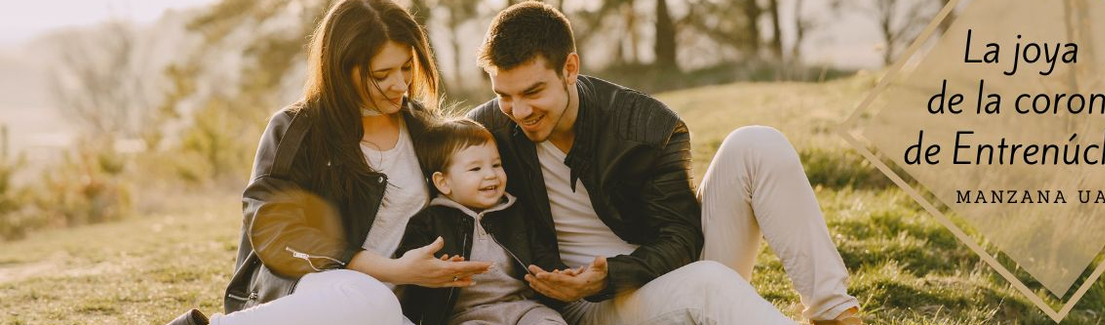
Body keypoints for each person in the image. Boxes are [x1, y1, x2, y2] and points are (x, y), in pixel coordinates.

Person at [467, 2, 863, 324]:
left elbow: (682, 238)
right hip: (584, 307)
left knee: (757, 143)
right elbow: (429, 152)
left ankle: (834, 313)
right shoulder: (488, 130)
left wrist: (611, 274)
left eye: (533, 91)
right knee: (709, 284)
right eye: (504, 94)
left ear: (570, 69)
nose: (519, 111)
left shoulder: (645, 125)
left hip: (658, 274)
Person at [166, 1, 490, 324]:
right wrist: (392, 270)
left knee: (383, 307)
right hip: (306, 293)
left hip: (391, 312)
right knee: (371, 299)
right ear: (340, 68)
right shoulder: (297, 129)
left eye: (407, 67)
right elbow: (275, 231)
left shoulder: (423, 129)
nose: (401, 84)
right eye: (382, 74)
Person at [392, 118, 568, 325]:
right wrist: (437, 267)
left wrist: (558, 273)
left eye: (496, 164)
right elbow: (413, 262)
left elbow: (541, 253)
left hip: (524, 306)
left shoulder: (515, 212)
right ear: (443, 182)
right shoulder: (430, 222)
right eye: (475, 169)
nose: (490, 175)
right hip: (467, 315)